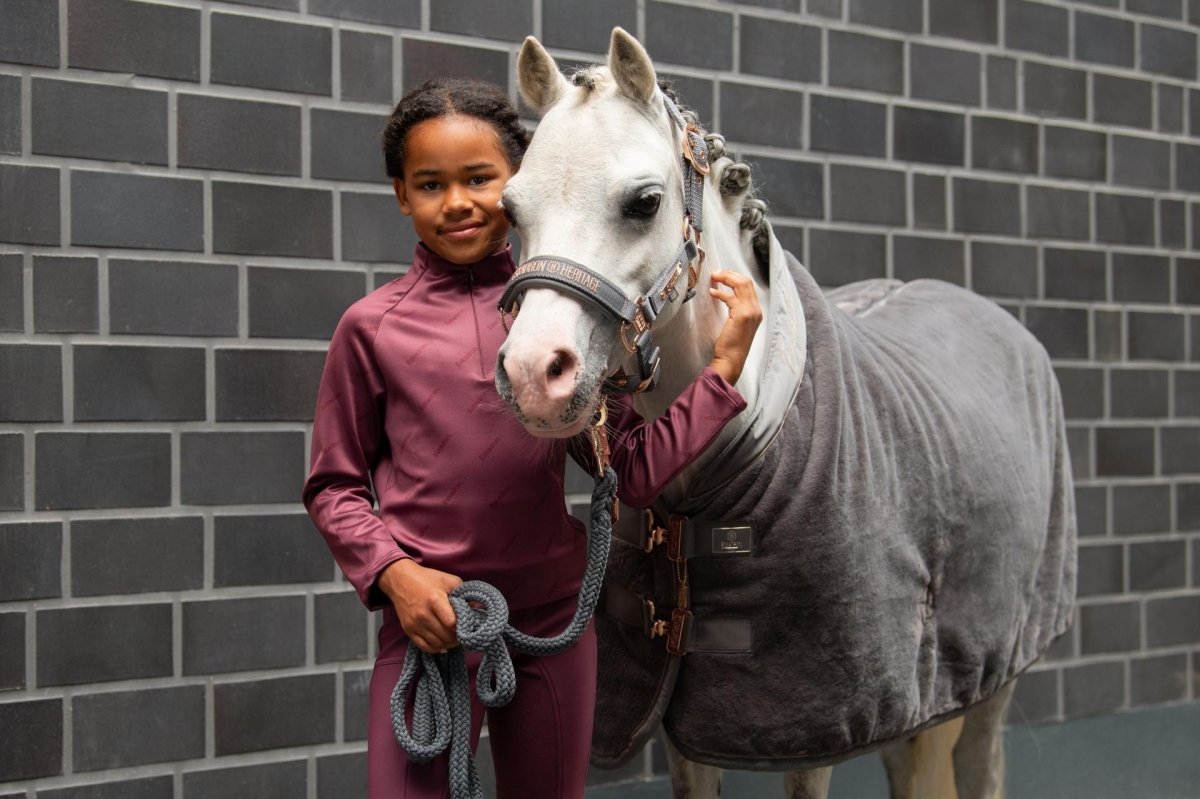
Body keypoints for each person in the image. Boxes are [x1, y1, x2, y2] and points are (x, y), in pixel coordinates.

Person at [303, 78, 762, 799]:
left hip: (550, 627)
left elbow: (632, 470)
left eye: (479, 179)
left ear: (517, 184)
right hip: (430, 624)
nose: (457, 201)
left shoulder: (561, 321)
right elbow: (334, 485)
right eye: (430, 184)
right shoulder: (372, 328)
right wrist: (395, 575)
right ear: (402, 195)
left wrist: (722, 372)